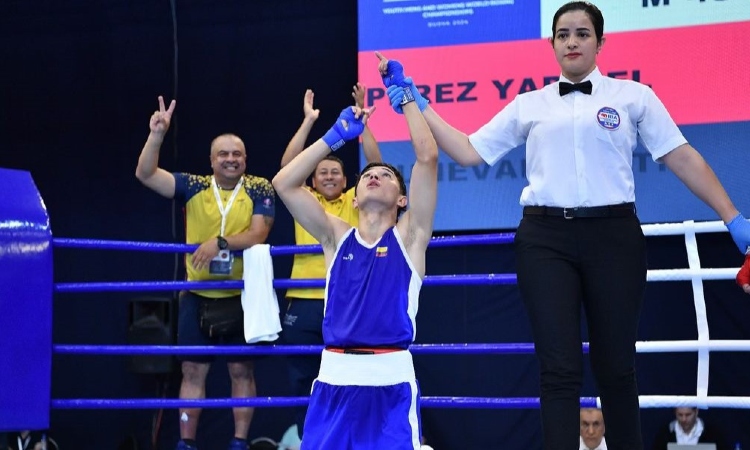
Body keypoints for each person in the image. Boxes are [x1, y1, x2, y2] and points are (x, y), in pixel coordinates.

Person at [378, 1, 750, 448]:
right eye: (563, 34)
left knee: (617, 366)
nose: (572, 41)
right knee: (558, 367)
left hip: (614, 237)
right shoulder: (528, 104)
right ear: (552, 43)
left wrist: (732, 217)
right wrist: (417, 102)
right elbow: (468, 151)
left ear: (600, 42)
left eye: (582, 33)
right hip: (545, 240)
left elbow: (682, 156)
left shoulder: (633, 97)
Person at [272, 59, 438, 449]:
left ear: (401, 197)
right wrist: (333, 137)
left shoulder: (411, 236)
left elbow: (427, 158)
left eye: (384, 175)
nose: (373, 176)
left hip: (391, 376)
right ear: (356, 195)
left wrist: (406, 96)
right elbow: (284, 183)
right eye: (366, 175)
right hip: (334, 375)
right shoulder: (336, 235)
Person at [135, 96, 276, 450]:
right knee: (192, 372)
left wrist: (220, 242)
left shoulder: (260, 187)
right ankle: (186, 443)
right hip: (196, 296)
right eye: (223, 154)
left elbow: (259, 233)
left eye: (237, 154)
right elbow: (146, 174)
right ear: (211, 160)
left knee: (242, 371)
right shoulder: (194, 185)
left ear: (245, 158)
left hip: (242, 296)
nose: (231, 159)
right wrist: (157, 135)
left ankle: (239, 443)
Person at [280, 84, 382, 438]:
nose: (327, 176)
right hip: (303, 305)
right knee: (301, 380)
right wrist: (309, 122)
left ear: (346, 180)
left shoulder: (357, 201)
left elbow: (376, 166)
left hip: (346, 305)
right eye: (321, 172)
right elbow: (288, 168)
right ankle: (309, 440)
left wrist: (362, 122)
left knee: (352, 378)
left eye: (335, 172)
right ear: (312, 179)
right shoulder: (304, 199)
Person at [651, 407, 729, 450]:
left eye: (688, 415)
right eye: (680, 415)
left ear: (696, 412)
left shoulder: (713, 433)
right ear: (675, 413)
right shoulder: (664, 433)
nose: (683, 419)